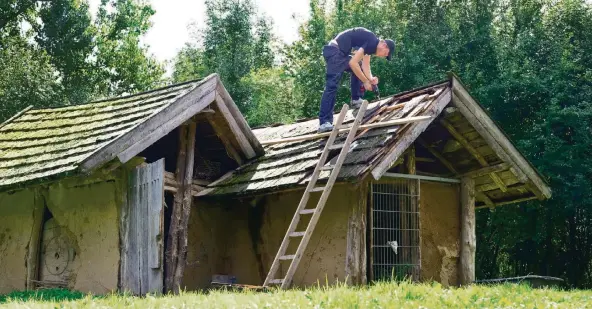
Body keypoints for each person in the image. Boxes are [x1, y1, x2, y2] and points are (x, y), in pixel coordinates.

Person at [318, 27, 395, 133]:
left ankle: (356, 99)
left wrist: (371, 79)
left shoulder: (371, 46)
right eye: (386, 54)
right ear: (384, 45)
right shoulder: (372, 40)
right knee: (332, 86)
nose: (383, 56)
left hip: (341, 53)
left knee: (357, 67)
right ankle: (324, 123)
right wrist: (365, 81)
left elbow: (365, 65)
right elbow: (352, 63)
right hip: (335, 52)